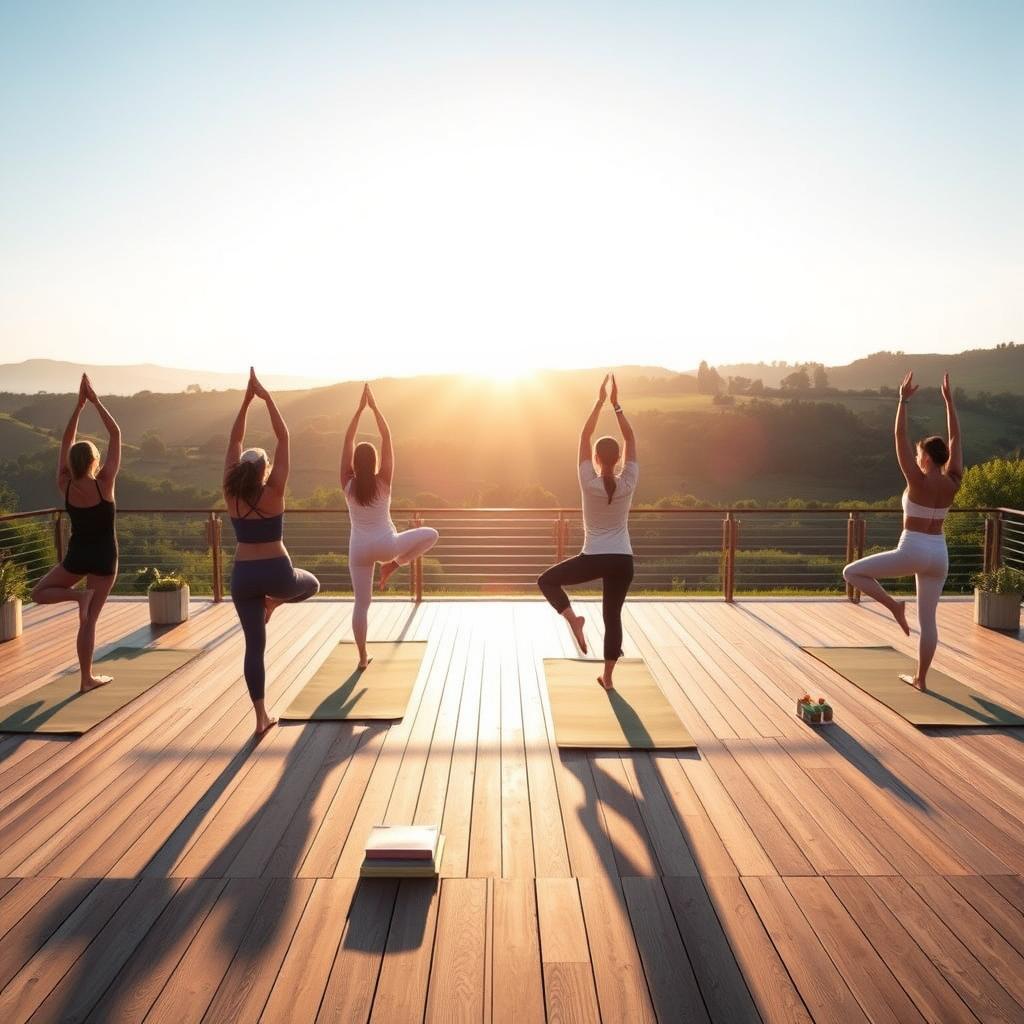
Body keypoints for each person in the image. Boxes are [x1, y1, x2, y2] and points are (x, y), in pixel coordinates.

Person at [843, 371, 963, 691]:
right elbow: (955, 441)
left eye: (919, 451)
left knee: (851, 573)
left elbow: (898, 437)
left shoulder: (918, 480)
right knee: (929, 622)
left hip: (912, 550)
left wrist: (902, 400)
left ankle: (894, 606)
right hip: (939, 553)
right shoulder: (953, 480)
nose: (917, 454)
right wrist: (949, 403)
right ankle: (921, 680)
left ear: (924, 456)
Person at [225, 368, 319, 735]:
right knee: (312, 584)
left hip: (243, 577)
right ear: (264, 470)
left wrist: (245, 402)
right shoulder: (275, 489)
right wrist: (267, 399)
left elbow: (234, 440)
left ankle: (261, 717)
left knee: (254, 647)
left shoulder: (230, 493)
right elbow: (284, 437)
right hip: (278, 573)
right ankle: (274, 604)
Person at [538, 374, 638, 690]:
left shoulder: (588, 480)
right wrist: (616, 405)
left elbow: (584, 435)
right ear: (619, 458)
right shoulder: (628, 480)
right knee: (613, 618)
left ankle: (573, 619)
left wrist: (598, 402)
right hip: (623, 560)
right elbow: (632, 440)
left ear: (595, 459)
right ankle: (608, 678)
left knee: (546, 581)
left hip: (593, 557)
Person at [31, 373, 122, 692]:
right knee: (89, 621)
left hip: (77, 555)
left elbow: (65, 442)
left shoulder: (65, 484)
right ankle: (86, 680)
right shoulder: (104, 483)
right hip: (104, 558)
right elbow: (115, 433)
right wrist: (95, 402)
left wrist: (78, 407)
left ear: (71, 463)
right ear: (95, 461)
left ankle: (76, 597)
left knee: (38, 593)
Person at [341, 383, 439, 668]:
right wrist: (375, 408)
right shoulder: (384, 481)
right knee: (432, 534)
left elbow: (348, 441)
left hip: (358, 550)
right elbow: (387, 437)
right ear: (373, 463)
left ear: (355, 465)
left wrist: (358, 412)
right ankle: (393, 566)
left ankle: (361, 658)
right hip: (387, 546)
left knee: (361, 605)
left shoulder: (347, 483)